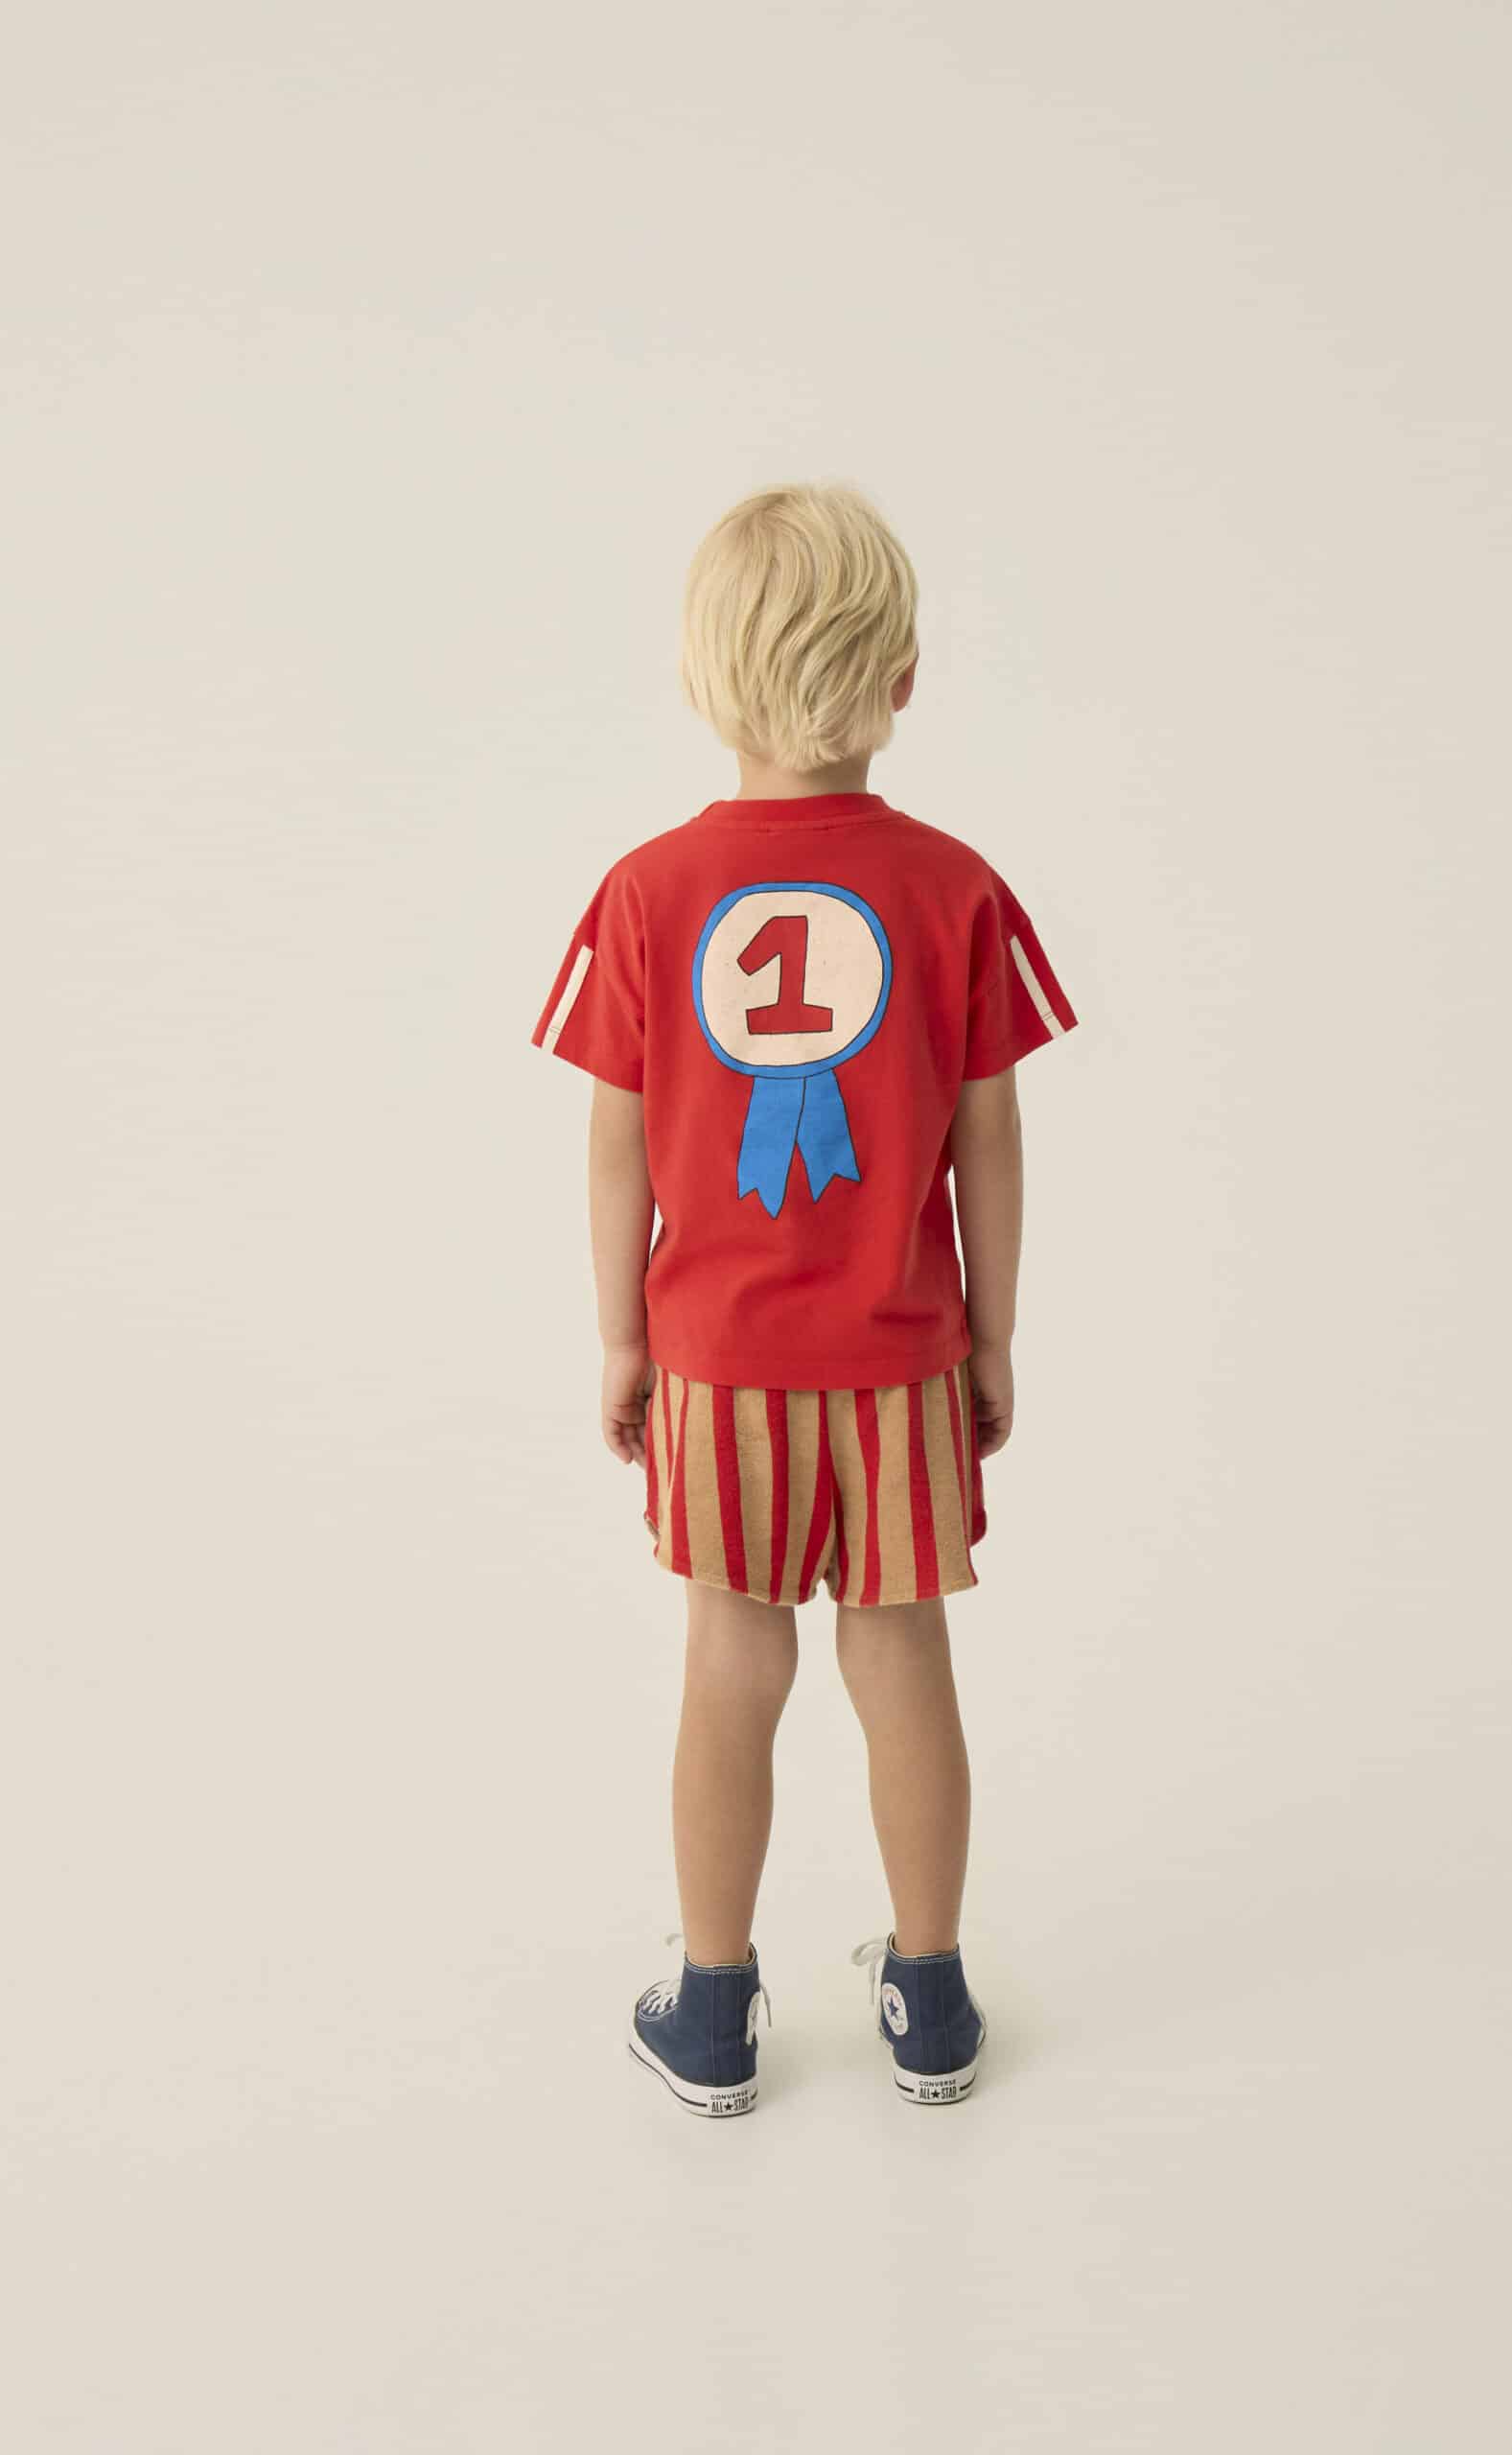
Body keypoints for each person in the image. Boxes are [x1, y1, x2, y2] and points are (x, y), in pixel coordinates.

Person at [530, 481, 1077, 2116]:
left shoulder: (646, 892)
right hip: (900, 1358)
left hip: (718, 1362)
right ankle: (932, 1998)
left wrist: (621, 1335)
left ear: (701, 676)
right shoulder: (954, 889)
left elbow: (616, 1136)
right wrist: (992, 1331)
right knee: (902, 1658)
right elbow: (989, 1135)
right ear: (902, 676)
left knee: (730, 1664)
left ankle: (712, 2013)